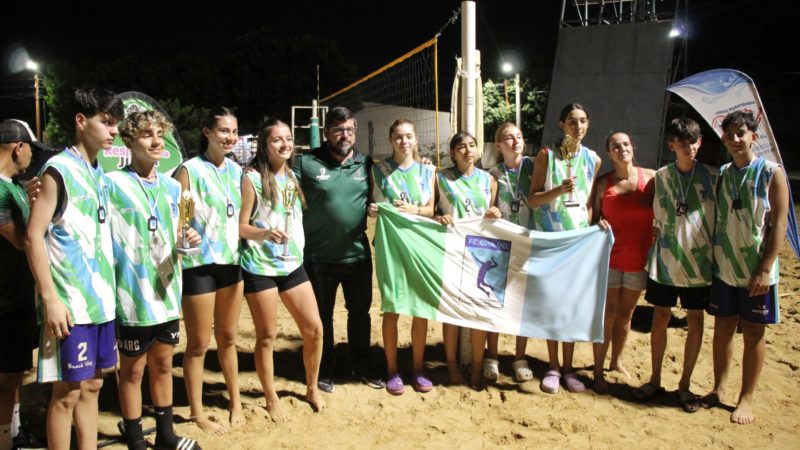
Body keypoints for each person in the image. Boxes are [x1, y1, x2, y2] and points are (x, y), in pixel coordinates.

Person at [24, 86, 123, 450]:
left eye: (116, 124)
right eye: (107, 122)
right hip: (69, 305)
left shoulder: (100, 172)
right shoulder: (58, 170)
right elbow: (34, 237)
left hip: (100, 303)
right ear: (81, 121)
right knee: (66, 394)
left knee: (94, 386)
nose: (114, 131)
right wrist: (50, 297)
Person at [108, 110, 202, 449]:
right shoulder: (112, 184)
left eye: (159, 133)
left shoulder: (176, 187)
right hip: (132, 295)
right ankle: (135, 439)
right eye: (147, 134)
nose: (156, 140)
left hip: (166, 293)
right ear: (128, 141)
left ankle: (165, 436)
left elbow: (183, 233)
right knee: (132, 372)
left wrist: (189, 241)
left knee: (163, 364)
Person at [701, 111, 789, 425]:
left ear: (753, 135)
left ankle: (746, 398)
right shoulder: (723, 172)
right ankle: (718, 388)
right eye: (729, 135)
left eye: (741, 133)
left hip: (757, 271)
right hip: (725, 267)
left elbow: (779, 223)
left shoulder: (771, 172)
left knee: (753, 333)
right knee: (723, 330)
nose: (735, 140)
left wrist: (765, 268)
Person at [294, 106, 384, 393]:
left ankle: (362, 363)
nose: (344, 135)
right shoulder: (306, 162)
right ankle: (324, 367)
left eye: (348, 129)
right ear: (326, 133)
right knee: (323, 316)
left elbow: (393, 182)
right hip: (319, 257)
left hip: (357, 255)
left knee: (360, 313)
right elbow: (279, 184)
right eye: (337, 130)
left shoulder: (366, 163)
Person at [239, 118, 325, 419]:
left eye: (288, 138)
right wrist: (264, 233)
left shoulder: (291, 176)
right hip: (260, 265)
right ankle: (271, 397)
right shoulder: (251, 178)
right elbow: (242, 227)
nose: (285, 144)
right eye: (277, 139)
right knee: (267, 335)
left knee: (314, 330)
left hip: (291, 264)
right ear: (264, 145)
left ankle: (312, 386)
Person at [634, 118, 717, 411]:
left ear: (699, 142)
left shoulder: (712, 175)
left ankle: (685, 385)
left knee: (695, 321)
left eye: (693, 141)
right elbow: (645, 211)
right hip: (665, 261)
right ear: (672, 146)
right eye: (682, 142)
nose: (688, 147)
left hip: (698, 263)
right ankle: (655, 379)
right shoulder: (661, 176)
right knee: (660, 318)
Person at [174, 107, 244, 434]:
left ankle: (236, 402)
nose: (230, 137)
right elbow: (179, 219)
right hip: (199, 265)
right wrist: (184, 230)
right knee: (199, 343)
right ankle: (197, 412)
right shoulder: (189, 170)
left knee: (228, 338)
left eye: (234, 131)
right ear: (207, 132)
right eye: (223, 131)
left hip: (231, 263)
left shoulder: (237, 171)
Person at [528, 103, 601, 394]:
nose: (578, 127)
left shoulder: (593, 159)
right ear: (562, 125)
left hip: (577, 242)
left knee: (571, 307)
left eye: (583, 121)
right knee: (552, 305)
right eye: (572, 121)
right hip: (550, 240)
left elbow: (589, 201)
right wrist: (559, 189)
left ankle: (570, 368)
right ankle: (553, 366)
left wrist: (588, 230)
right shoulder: (546, 155)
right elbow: (532, 200)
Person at [367, 119, 436, 395]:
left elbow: (432, 210)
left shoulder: (429, 171)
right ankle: (392, 369)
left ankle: (418, 369)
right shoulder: (378, 170)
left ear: (416, 140)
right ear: (390, 140)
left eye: (408, 136)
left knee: (420, 309)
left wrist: (413, 210)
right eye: (398, 136)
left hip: (421, 246)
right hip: (391, 245)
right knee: (393, 307)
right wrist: (372, 210)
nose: (404, 141)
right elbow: (370, 205)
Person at [435, 131, 502, 388]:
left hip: (481, 253)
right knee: (452, 313)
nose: (467, 150)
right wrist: (439, 216)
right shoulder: (440, 178)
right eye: (461, 147)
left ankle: (476, 367)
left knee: (478, 312)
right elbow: (433, 209)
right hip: (452, 251)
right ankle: (451, 366)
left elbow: (493, 214)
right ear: (452, 153)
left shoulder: (489, 180)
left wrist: (494, 211)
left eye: (472, 145)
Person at [590, 132, 655, 393]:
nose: (621, 148)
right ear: (609, 153)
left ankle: (616, 362)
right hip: (609, 259)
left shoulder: (650, 178)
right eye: (615, 146)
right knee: (607, 315)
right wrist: (597, 223)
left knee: (626, 315)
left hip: (638, 260)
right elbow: (592, 216)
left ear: (633, 147)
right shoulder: (603, 183)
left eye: (626, 143)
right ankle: (597, 370)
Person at [486, 123, 535, 383]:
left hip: (528, 242)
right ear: (499, 145)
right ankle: (491, 356)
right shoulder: (492, 174)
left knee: (522, 305)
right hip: (501, 244)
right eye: (508, 138)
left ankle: (519, 357)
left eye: (519, 136)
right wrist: (492, 210)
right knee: (496, 301)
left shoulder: (535, 167)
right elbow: (488, 206)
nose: (515, 142)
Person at [0, 119, 38, 450]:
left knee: (16, 372)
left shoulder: (12, 186)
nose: (32, 158)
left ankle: (15, 429)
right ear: (17, 147)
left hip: (19, 297)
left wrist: (29, 198)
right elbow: (21, 241)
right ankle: (5, 440)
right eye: (31, 149)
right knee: (5, 376)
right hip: (5, 300)